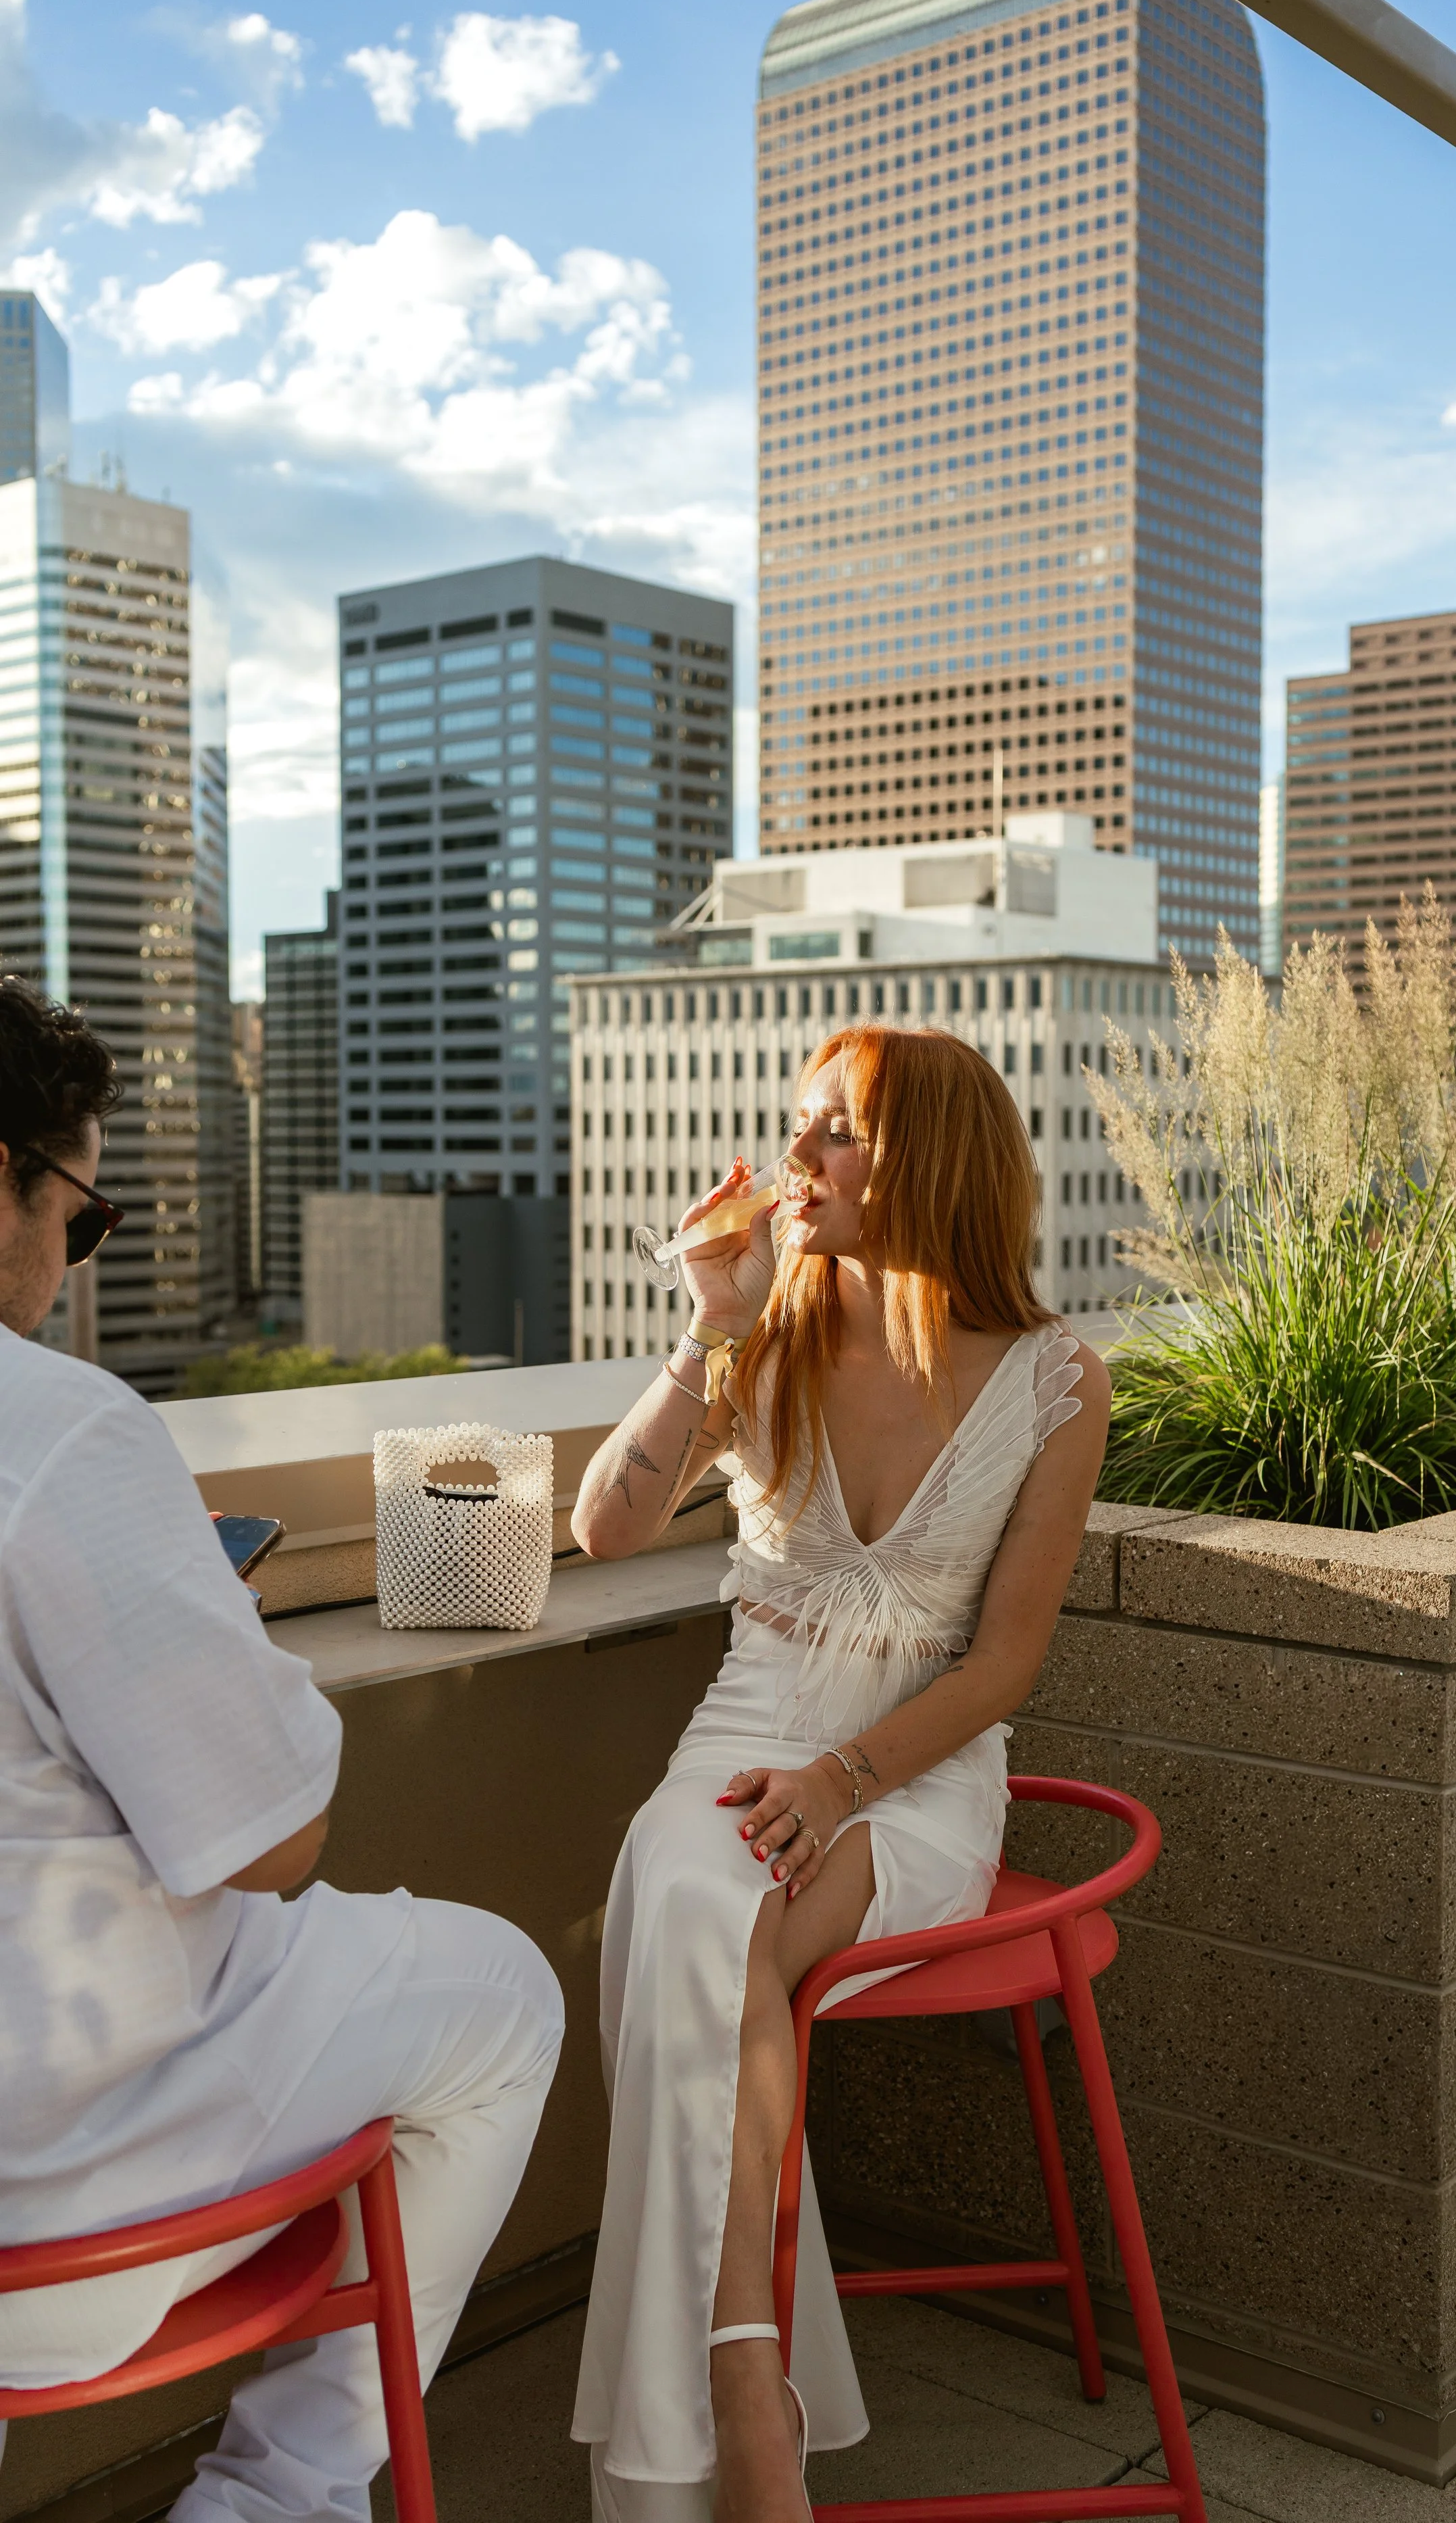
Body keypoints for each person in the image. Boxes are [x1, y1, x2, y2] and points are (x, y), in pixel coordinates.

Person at [0, 973, 563, 2520]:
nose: (72, 1254)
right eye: (81, 1210)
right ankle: (276, 2502)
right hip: (54, 2228)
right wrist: (215, 1623)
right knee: (507, 1997)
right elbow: (273, 1843)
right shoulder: (61, 1433)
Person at [569, 1023, 1111, 2523]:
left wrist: (844, 1781)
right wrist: (709, 1319)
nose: (795, 1159)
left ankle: (732, 2408)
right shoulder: (773, 1331)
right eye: (797, 1127)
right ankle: (753, 2383)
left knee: (700, 1914)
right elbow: (603, 1528)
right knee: (693, 1894)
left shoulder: (1059, 1379)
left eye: (833, 1133)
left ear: (925, 1159)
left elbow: (1003, 1664)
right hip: (737, 1745)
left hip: (915, 1774)